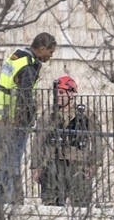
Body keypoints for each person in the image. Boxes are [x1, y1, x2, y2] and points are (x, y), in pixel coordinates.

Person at [0, 32, 56, 203]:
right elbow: (24, 97)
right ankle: (4, 201)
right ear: (42, 49)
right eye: (50, 52)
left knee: (3, 163)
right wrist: (27, 121)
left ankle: (3, 199)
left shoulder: (15, 57)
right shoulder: (29, 66)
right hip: (14, 123)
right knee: (11, 164)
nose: (51, 56)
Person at [31, 75, 97, 206]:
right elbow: (38, 141)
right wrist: (36, 166)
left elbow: (98, 140)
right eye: (56, 92)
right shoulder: (48, 114)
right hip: (52, 163)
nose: (58, 96)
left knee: (81, 203)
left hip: (78, 163)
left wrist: (94, 163)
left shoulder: (85, 115)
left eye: (61, 92)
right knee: (51, 202)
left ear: (71, 93)